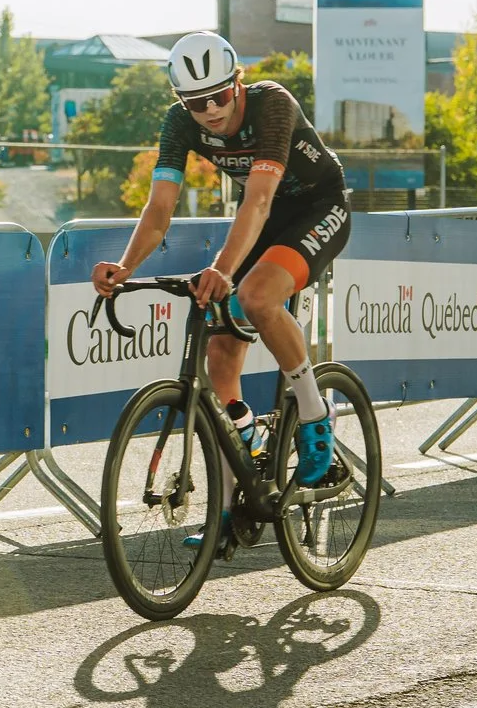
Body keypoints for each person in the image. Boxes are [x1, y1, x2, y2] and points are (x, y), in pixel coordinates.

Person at [89, 32, 350, 492]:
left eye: (218, 95)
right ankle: (230, 503)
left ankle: (314, 413)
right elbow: (159, 208)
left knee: (254, 296)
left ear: (237, 82)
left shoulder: (271, 103)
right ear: (181, 101)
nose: (209, 110)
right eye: (195, 102)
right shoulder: (179, 123)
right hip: (262, 219)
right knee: (220, 355)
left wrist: (224, 269)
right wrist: (126, 265)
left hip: (317, 207)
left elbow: (260, 198)